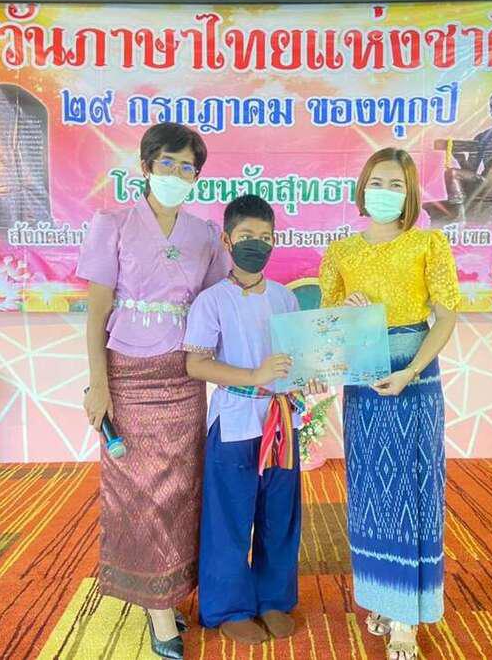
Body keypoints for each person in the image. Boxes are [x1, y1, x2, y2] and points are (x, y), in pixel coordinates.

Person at [77, 122, 230, 660]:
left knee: (180, 491)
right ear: (145, 166)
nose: (177, 174)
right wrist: (99, 385)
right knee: (138, 492)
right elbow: (96, 313)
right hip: (127, 376)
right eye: (168, 163)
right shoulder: (112, 225)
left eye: (188, 167)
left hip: (185, 377)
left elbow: (217, 307)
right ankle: (158, 610)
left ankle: (169, 589)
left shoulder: (205, 235)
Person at [319, 148, 460, 660]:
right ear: (362, 188)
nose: (385, 192)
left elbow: (445, 317)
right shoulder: (341, 252)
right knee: (370, 489)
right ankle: (381, 597)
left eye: (396, 184)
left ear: (410, 193)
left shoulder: (428, 244)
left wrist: (411, 371)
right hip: (364, 382)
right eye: (377, 182)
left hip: (413, 377)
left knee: (411, 488)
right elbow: (328, 327)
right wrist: (346, 313)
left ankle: (406, 618)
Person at [183, 194, 325, 645]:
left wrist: (310, 375)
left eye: (265, 237)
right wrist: (254, 376)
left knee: (280, 515)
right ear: (227, 241)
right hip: (234, 422)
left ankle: (274, 600)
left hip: (281, 421)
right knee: (229, 516)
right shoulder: (211, 301)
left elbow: (299, 358)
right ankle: (229, 606)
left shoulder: (286, 298)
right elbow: (196, 364)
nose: (256, 244)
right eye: (246, 235)